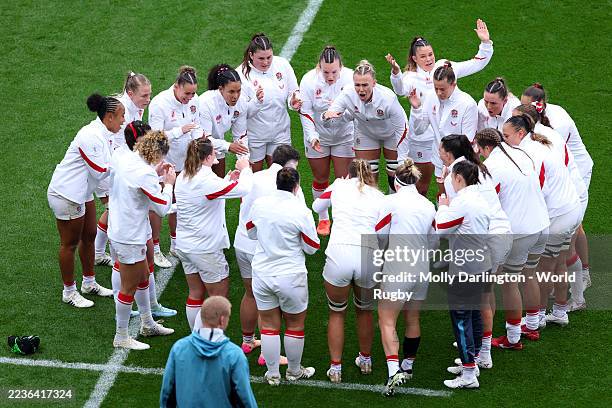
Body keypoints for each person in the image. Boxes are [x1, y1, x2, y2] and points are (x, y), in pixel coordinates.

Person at [385, 19, 493, 195]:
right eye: (423, 56)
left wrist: (485, 43)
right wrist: (396, 74)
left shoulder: (445, 68)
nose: (428, 59)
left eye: (430, 54)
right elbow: (399, 90)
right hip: (422, 137)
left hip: (447, 141)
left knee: (454, 188)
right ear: (414, 58)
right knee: (423, 184)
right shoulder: (410, 77)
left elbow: (475, 63)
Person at [439, 134, 512, 370]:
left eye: (440, 149)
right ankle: (480, 353)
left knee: (475, 305)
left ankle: (476, 360)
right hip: (493, 238)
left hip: (484, 245)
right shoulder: (476, 171)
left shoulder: (457, 180)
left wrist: (442, 207)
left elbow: (448, 224)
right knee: (479, 301)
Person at [502, 115, 581, 329]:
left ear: (520, 133)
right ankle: (560, 311)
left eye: (506, 136)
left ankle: (536, 318)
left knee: (542, 269)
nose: (504, 140)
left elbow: (537, 189)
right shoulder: (540, 142)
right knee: (559, 262)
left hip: (558, 217)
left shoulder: (530, 153)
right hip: (571, 209)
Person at [474, 128, 549, 350]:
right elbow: (539, 181)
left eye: (479, 148)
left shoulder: (491, 168)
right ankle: (532, 324)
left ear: (486, 147)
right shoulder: (522, 153)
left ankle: (513, 338)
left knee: (508, 282)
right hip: (542, 224)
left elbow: (488, 203)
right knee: (530, 272)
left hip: (519, 231)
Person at [311, 159, 384, 384]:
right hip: (368, 256)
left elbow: (317, 207)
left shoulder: (338, 186)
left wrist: (335, 186)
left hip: (339, 254)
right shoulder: (379, 197)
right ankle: (366, 360)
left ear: (348, 174)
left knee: (337, 312)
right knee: (364, 311)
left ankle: (335, 368)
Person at [47, 93, 122, 308]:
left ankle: (89, 283)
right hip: (67, 194)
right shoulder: (89, 136)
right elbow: (99, 171)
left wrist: (108, 198)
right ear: (109, 117)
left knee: (89, 235)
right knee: (69, 244)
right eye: (121, 116)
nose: (123, 120)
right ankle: (69, 291)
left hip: (82, 191)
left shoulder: (105, 133)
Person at [247, 167, 319, 386]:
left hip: (262, 273)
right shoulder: (301, 211)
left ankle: (273, 374)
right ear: (296, 186)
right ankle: (294, 371)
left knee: (268, 325)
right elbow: (312, 247)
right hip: (291, 275)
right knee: (295, 325)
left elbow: (251, 232)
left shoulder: (260, 204)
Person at [233, 144, 302, 364]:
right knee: (268, 303)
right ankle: (267, 354)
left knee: (250, 294)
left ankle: (247, 340)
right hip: (263, 249)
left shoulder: (254, 176)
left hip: (242, 242)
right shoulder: (289, 184)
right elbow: (300, 216)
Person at [175, 137, 253, 330]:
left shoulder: (184, 174)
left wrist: (228, 179)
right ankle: (204, 343)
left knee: (195, 293)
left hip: (185, 246)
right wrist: (245, 169)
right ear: (209, 156)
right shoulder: (206, 180)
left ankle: (195, 338)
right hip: (205, 249)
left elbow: (210, 194)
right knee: (218, 299)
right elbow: (245, 189)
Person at [521, 83, 593, 289]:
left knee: (571, 232)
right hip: (564, 173)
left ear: (540, 105)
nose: (524, 111)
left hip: (575, 174)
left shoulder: (555, 126)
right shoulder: (543, 120)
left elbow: (553, 162)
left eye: (527, 107)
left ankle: (579, 276)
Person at [108, 131, 175, 350]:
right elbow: (163, 208)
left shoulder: (125, 157)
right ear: (157, 153)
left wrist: (155, 173)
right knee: (129, 286)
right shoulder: (144, 174)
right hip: (130, 234)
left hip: (119, 227)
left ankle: (147, 323)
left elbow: (132, 184)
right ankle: (121, 336)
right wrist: (168, 183)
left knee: (144, 274)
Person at [374, 159, 436, 396]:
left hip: (398, 266)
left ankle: (392, 374)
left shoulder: (390, 202)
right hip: (421, 267)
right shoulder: (428, 205)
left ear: (396, 182)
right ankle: (407, 367)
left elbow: (380, 234)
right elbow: (433, 239)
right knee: (412, 317)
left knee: (386, 319)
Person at [435, 160, 491, 389]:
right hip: (481, 263)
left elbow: (441, 228)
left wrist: (442, 206)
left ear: (459, 178)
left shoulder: (462, 202)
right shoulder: (480, 198)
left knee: (461, 319)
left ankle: (469, 374)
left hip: (465, 269)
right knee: (473, 314)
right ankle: (473, 362)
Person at [94, 72, 152, 266]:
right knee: (114, 208)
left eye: (149, 95)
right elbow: (114, 142)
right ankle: (104, 252)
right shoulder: (121, 108)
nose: (148, 99)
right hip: (108, 164)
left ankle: (98, 251)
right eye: (144, 95)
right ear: (130, 93)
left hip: (116, 163)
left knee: (112, 209)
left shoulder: (135, 105)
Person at [323, 60, 408, 193]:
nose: (361, 89)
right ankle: (373, 208)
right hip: (366, 133)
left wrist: (402, 159)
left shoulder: (388, 99)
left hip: (391, 133)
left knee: (394, 171)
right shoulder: (347, 94)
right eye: (357, 85)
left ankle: (391, 206)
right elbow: (329, 121)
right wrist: (326, 117)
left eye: (365, 85)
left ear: (374, 83)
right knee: (367, 175)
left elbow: (402, 129)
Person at [160, 296, 257, 408]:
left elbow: (168, 390)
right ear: (222, 320)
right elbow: (244, 396)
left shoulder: (179, 348)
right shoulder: (234, 354)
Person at [149, 66, 201, 267]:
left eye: (193, 93)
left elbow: (196, 126)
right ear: (177, 86)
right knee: (160, 205)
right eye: (187, 93)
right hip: (163, 163)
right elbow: (154, 137)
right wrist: (179, 131)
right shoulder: (160, 103)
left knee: (179, 204)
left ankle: (175, 244)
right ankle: (154, 249)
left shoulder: (194, 100)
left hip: (186, 161)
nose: (190, 97)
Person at [299, 46, 354, 235]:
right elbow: (305, 112)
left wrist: (340, 112)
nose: (330, 76)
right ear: (318, 68)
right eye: (325, 72)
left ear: (341, 68)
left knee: (343, 181)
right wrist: (312, 137)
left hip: (344, 136)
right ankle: (323, 219)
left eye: (334, 72)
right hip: (318, 137)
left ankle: (341, 219)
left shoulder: (350, 78)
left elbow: (356, 109)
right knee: (320, 178)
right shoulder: (308, 80)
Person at [408, 62, 478, 194]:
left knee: (458, 196)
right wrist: (416, 109)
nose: (439, 93)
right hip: (439, 158)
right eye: (436, 88)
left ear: (454, 84)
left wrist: (453, 164)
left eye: (443, 89)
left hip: (460, 163)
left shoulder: (468, 104)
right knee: (443, 195)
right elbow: (419, 130)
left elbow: (467, 141)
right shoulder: (430, 97)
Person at [237, 33, 302, 172]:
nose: (266, 62)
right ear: (251, 55)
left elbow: (293, 91)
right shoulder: (240, 75)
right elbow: (241, 113)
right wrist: (256, 102)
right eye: (261, 58)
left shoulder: (282, 64)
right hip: (255, 136)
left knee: (283, 176)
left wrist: (293, 101)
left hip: (281, 131)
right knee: (252, 180)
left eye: (269, 57)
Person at [199, 64, 250, 178]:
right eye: (231, 92)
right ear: (221, 89)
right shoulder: (205, 103)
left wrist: (244, 161)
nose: (235, 96)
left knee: (219, 185)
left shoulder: (241, 103)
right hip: (197, 150)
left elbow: (240, 135)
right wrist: (228, 146)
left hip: (217, 146)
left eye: (238, 91)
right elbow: (203, 140)